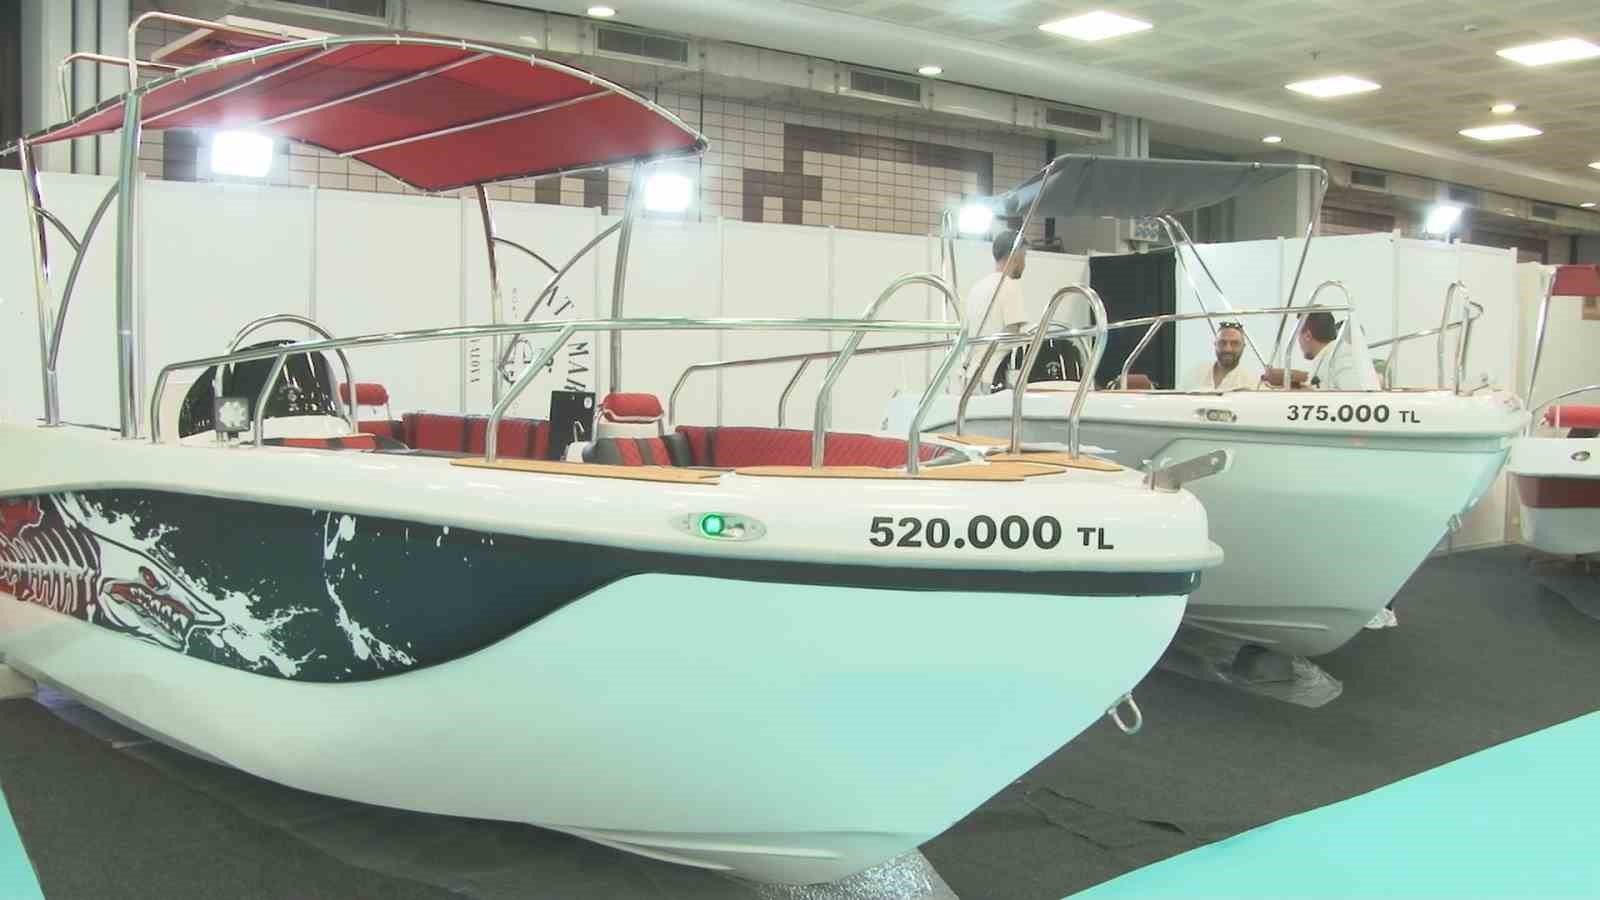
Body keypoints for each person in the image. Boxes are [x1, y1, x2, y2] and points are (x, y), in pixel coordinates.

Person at [962, 230, 1029, 391]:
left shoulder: (977, 287)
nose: (1025, 263)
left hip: (970, 374)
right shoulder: (1010, 287)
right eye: (1024, 256)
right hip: (994, 376)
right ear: (1016, 255)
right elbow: (1014, 333)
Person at [1262, 312, 1381, 391]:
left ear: (1307, 336)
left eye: (1298, 335)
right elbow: (1322, 383)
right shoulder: (1328, 356)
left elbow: (1357, 398)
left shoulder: (1342, 356)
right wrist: (1289, 378)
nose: (1298, 342)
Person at [1180, 321, 1259, 391]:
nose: (1228, 349)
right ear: (1215, 344)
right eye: (1222, 343)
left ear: (1243, 346)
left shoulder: (1252, 383)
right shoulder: (1196, 373)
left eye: (1234, 343)